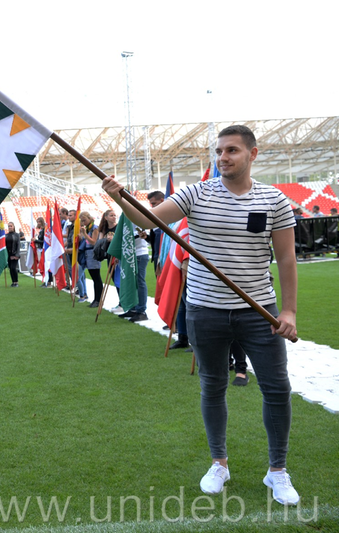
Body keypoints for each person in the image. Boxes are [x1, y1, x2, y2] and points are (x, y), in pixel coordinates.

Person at [102, 125, 300, 505]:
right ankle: (218, 463)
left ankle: (277, 470)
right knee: (212, 385)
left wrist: (288, 310)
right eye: (219, 151)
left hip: (259, 311)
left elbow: (287, 259)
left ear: (252, 154)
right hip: (205, 310)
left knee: (277, 388)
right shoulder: (197, 193)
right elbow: (148, 220)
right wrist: (119, 197)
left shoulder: (273, 199)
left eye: (232, 150)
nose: (223, 157)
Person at [78, 212, 101, 307]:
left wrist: (85, 234)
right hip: (88, 254)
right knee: (94, 277)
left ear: (89, 218)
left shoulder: (94, 228)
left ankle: (98, 299)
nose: (83, 222)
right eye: (82, 221)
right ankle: (96, 299)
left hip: (93, 254)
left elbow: (93, 242)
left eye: (84, 220)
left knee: (96, 278)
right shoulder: (87, 228)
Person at [5, 222, 22, 287]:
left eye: (11, 226)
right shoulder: (6, 235)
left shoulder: (17, 235)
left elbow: (18, 245)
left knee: (13, 268)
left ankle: (16, 282)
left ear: (14, 227)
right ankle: (13, 282)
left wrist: (17, 255)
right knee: (10, 268)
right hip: (8, 255)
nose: (10, 227)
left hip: (14, 254)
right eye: (9, 226)